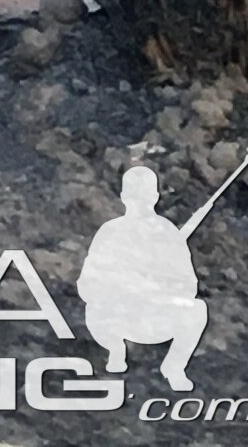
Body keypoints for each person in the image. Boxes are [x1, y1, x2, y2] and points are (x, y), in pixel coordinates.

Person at [78, 166, 210, 390]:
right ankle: (116, 350)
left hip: (157, 317)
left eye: (144, 196)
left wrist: (160, 288)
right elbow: (87, 284)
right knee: (93, 308)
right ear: (124, 198)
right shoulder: (110, 232)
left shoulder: (168, 233)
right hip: (118, 317)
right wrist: (121, 287)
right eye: (135, 196)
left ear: (155, 197)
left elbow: (189, 286)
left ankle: (174, 367)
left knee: (197, 309)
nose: (140, 202)